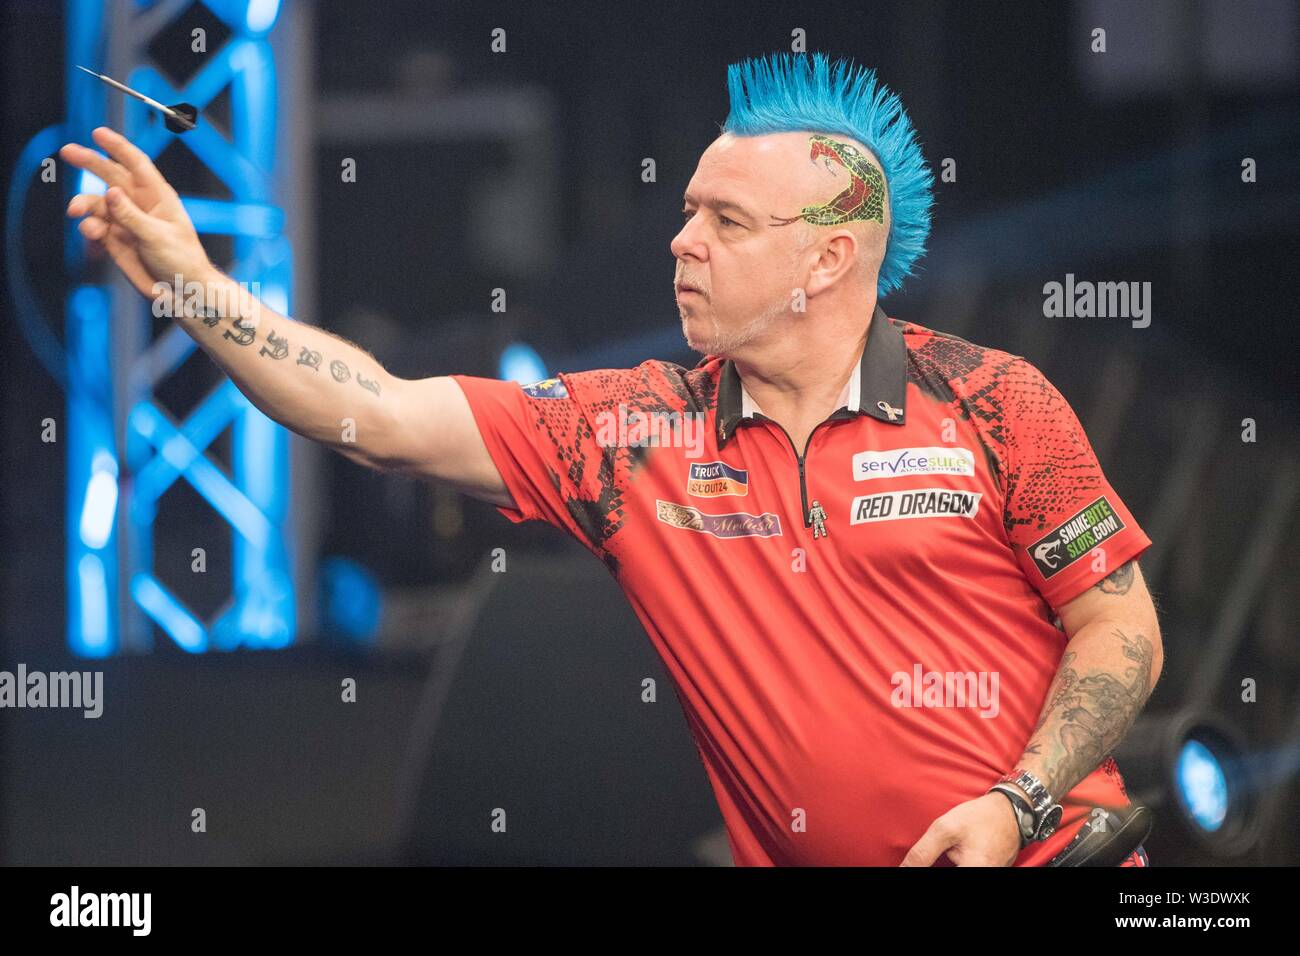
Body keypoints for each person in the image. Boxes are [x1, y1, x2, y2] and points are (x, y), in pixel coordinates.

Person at [59, 51, 1162, 866]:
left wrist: (1015, 803)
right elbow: (383, 415)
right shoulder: (630, 432)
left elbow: (1123, 629)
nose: (681, 243)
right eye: (687, 212)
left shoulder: (994, 400)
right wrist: (192, 287)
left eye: (725, 221)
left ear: (826, 258)